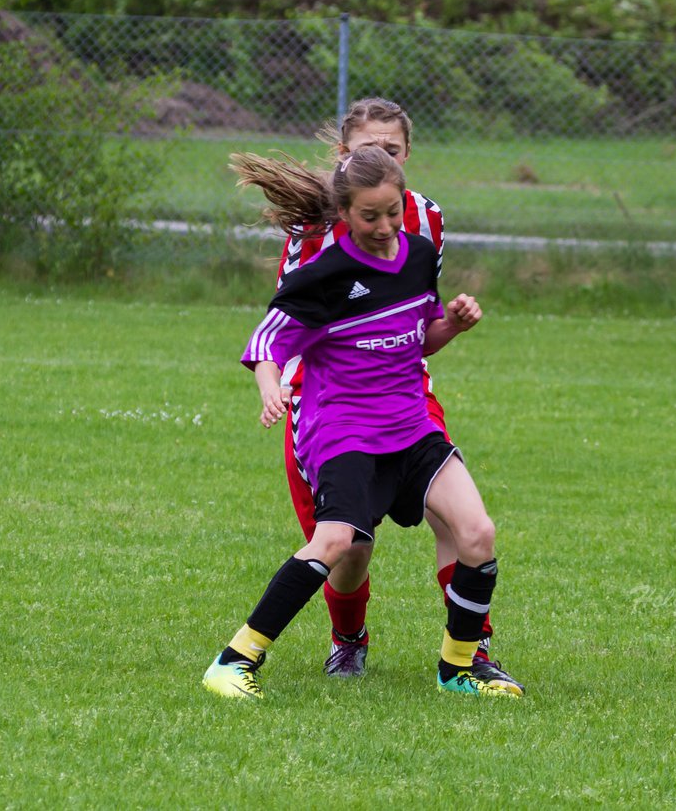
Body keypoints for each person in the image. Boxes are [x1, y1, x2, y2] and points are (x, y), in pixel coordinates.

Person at [203, 145, 520, 699]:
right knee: (335, 544)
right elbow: (267, 341)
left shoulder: (420, 256)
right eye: (369, 215)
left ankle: (459, 669)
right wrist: (270, 386)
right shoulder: (325, 273)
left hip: (410, 426)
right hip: (344, 431)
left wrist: (455, 325)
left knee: (478, 533)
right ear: (344, 214)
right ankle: (233, 662)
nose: (384, 226)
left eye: (393, 211)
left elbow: (420, 338)